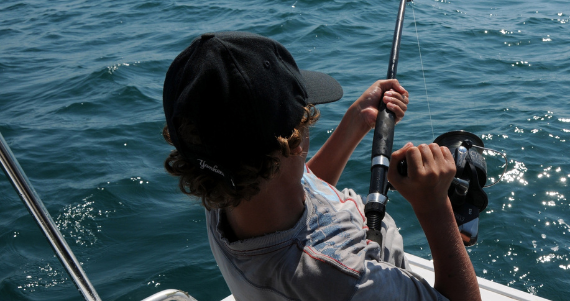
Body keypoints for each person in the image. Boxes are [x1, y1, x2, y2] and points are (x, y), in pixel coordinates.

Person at [162, 31, 480, 301]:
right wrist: (435, 205)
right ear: (295, 141)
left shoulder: (222, 185)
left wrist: (356, 122)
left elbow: (293, 184)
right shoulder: (346, 279)